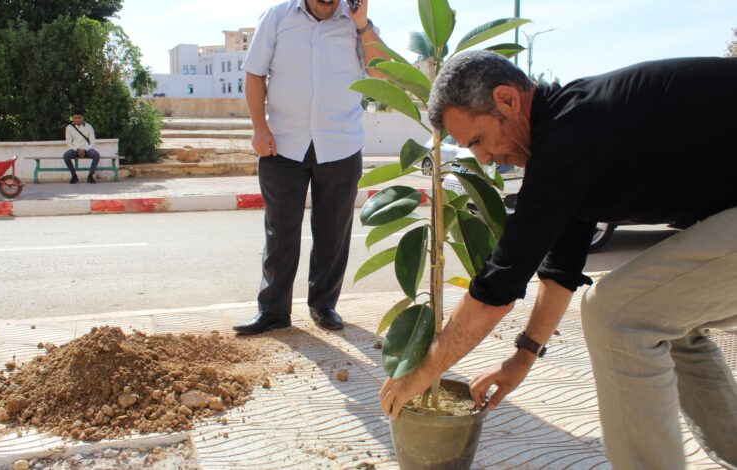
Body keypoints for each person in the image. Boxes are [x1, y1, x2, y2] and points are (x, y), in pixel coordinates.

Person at [380, 51, 737, 470]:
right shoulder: (574, 133)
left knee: (616, 314)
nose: (484, 158)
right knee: (667, 317)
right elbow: (561, 270)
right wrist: (521, 360)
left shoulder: (570, 134)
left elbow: (497, 288)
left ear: (507, 100)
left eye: (477, 140)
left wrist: (420, 372)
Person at [233, 0, 388, 335]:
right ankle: (273, 312)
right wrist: (259, 127)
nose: (328, 4)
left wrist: (362, 24)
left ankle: (324, 305)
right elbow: (255, 73)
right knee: (280, 233)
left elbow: (381, 73)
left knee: (333, 232)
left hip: (341, 145)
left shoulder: (357, 23)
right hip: (282, 144)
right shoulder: (277, 17)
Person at [64, 110, 100, 184]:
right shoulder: (69, 127)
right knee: (66, 155)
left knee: (96, 155)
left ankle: (90, 176)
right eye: (75, 118)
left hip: (86, 149)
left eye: (79, 118)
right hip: (75, 149)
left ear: (83, 118)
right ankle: (74, 176)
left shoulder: (88, 127)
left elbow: (93, 142)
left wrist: (84, 150)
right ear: (73, 119)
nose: (77, 120)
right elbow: (68, 143)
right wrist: (77, 149)